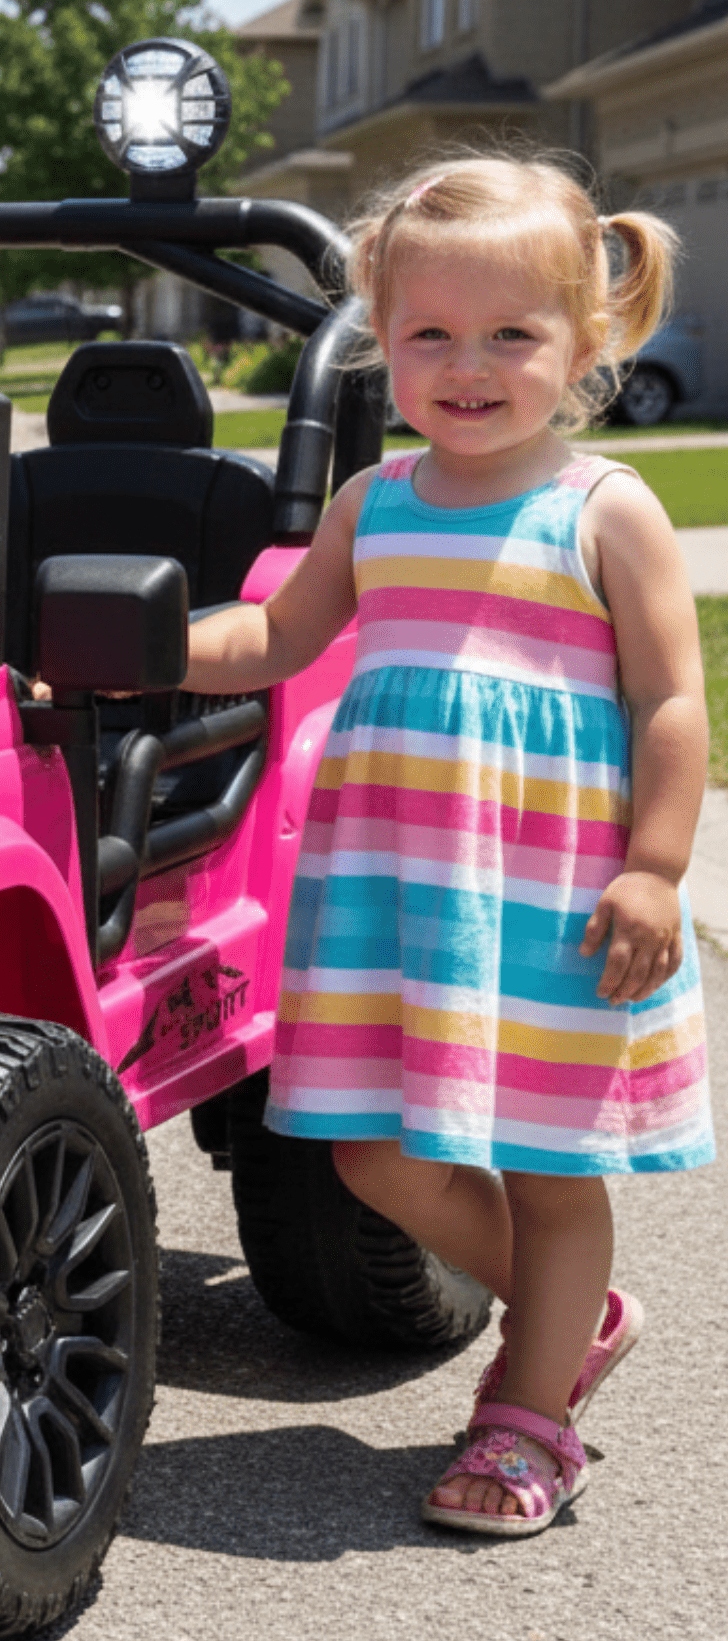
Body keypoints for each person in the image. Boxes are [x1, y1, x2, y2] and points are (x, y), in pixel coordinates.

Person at [181, 156, 711, 1537]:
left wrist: (656, 865)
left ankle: (531, 1419)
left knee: (546, 1158)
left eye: (511, 336)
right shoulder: (377, 503)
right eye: (431, 334)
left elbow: (669, 699)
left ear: (584, 344)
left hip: (551, 893)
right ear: (381, 336)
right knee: (370, 1153)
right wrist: (148, 649)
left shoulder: (604, 508)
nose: (468, 366)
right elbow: (279, 638)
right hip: (398, 888)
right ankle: (574, 1316)